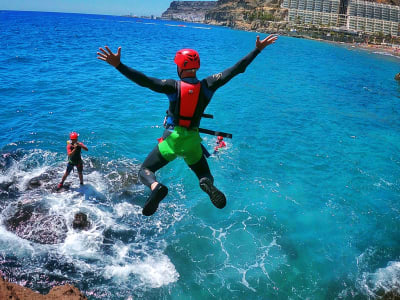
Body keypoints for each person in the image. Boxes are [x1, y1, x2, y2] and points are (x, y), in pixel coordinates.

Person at [97, 34, 278, 216]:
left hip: (172, 140)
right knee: (204, 175)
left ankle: (156, 187)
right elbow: (237, 69)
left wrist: (119, 65)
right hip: (192, 141)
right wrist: (257, 49)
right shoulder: (209, 84)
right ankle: (206, 184)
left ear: (180, 67)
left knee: (145, 170)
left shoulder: (172, 86)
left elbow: (144, 80)